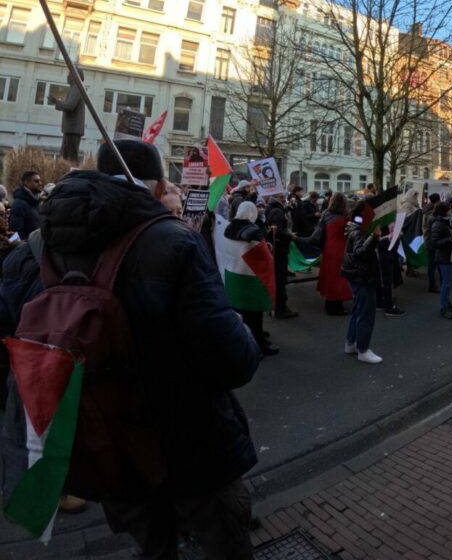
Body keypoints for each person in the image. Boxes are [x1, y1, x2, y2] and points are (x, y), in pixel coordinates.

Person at [0, 139, 260, 559]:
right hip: (189, 446)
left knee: (152, 548)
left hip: (105, 448)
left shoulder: (33, 248)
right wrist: (244, 336)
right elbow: (232, 360)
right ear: (158, 187)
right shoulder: (173, 243)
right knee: (222, 544)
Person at [223, 201, 279, 356]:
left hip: (233, 274)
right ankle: (259, 346)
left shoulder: (228, 228)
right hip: (250, 277)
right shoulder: (251, 230)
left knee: (241, 315)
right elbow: (263, 256)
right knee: (254, 315)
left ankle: (250, 339)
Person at [340, 197, 383, 364]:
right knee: (366, 314)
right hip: (362, 276)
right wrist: (374, 237)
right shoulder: (358, 230)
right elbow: (360, 252)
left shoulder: (355, 226)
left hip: (357, 274)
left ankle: (351, 343)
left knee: (359, 310)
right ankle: (363, 350)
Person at [301, 192, 353, 316]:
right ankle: (336, 307)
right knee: (339, 278)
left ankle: (330, 305)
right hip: (341, 249)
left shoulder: (326, 214)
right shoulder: (346, 216)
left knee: (330, 277)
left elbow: (318, 234)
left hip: (329, 248)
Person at [265, 193, 297, 319]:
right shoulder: (277, 211)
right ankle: (281, 308)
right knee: (280, 279)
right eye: (283, 196)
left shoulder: (271, 208)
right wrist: (290, 235)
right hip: (279, 249)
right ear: (279, 198)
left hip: (275, 248)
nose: (285, 198)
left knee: (277, 278)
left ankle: (274, 306)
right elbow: (278, 231)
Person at [429, 200, 452, 320]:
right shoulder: (438, 224)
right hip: (443, 258)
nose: (450, 211)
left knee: (447, 283)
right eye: (448, 209)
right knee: (446, 284)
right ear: (445, 211)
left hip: (449, 256)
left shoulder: (447, 222)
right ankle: (443, 307)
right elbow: (435, 243)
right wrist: (451, 239)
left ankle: (447, 303)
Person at [53, 68, 86, 162]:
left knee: (70, 160)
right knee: (65, 158)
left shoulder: (77, 88)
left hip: (73, 130)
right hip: (70, 130)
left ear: (75, 76)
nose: (67, 76)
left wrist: (56, 102)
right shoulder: (74, 89)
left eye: (69, 74)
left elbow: (70, 106)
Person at [8, 170, 42, 239]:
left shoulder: (37, 202)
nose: (40, 183)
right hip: (28, 246)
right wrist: (26, 245)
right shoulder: (19, 204)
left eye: (40, 181)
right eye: (36, 181)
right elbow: (15, 231)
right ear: (27, 182)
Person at [422, 193, 441, 293]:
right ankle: (432, 285)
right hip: (431, 240)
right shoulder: (431, 213)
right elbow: (432, 225)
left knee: (433, 263)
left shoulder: (427, 209)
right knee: (432, 264)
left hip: (429, 239)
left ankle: (433, 283)